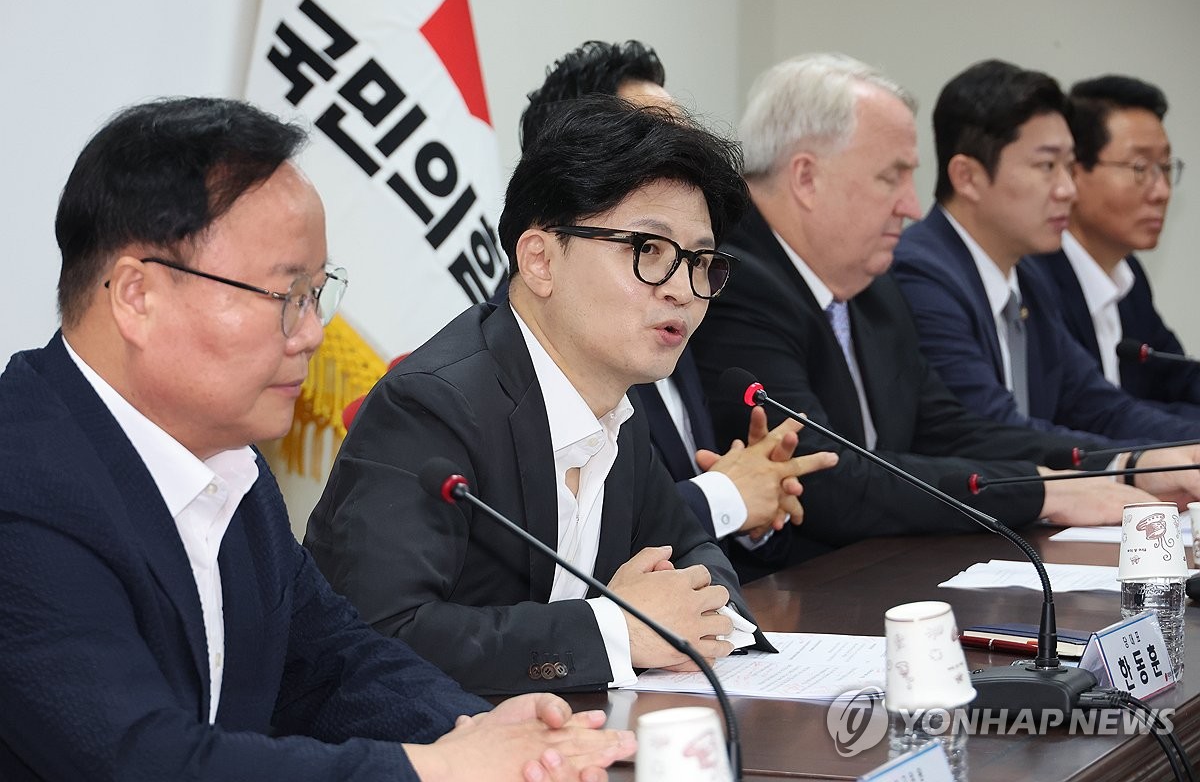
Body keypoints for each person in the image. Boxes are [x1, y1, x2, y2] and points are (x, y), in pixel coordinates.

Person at [0, 96, 633, 782]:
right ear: (136, 296)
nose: (311, 334)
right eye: (285, 296)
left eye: (317, 293)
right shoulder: (22, 486)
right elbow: (144, 759)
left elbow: (334, 665)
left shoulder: (230, 466)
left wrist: (481, 732)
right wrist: (434, 768)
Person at [307, 97, 776, 696]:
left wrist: (695, 609)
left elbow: (694, 550)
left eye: (701, 261)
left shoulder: (615, 407)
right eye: (649, 251)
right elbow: (381, 637)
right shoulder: (432, 407)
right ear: (540, 261)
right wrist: (617, 631)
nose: (684, 289)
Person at [690, 54, 1160, 579]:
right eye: (891, 177)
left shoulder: (873, 286)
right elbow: (823, 477)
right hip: (791, 597)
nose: (912, 207)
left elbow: (949, 429)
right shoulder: (733, 283)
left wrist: (1122, 465)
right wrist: (1042, 492)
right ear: (806, 177)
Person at [517, 39, 829, 544]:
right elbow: (559, 547)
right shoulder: (508, 370)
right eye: (652, 139)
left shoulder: (671, 298)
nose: (683, 289)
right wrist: (724, 497)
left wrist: (756, 504)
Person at [892, 59, 1200, 446]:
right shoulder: (921, 274)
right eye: (1047, 165)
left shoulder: (1028, 279)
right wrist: (1131, 462)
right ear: (967, 177)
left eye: (1068, 167)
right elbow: (993, 431)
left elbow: (1103, 409)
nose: (1068, 189)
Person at [1026, 75, 1200, 416]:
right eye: (1140, 168)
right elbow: (1090, 416)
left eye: (1165, 167)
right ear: (1074, 173)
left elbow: (1180, 377)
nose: (1162, 191)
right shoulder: (1035, 279)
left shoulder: (1127, 274)